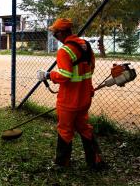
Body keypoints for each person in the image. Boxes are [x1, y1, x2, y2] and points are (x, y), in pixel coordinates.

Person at [36, 18, 106, 170]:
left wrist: (48, 75)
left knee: (65, 130)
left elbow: (65, 75)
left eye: (55, 33)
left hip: (69, 100)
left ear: (61, 33)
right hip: (85, 97)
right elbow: (91, 68)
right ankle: (96, 161)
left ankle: (62, 163)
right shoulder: (86, 45)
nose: (54, 35)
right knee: (85, 128)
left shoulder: (64, 51)